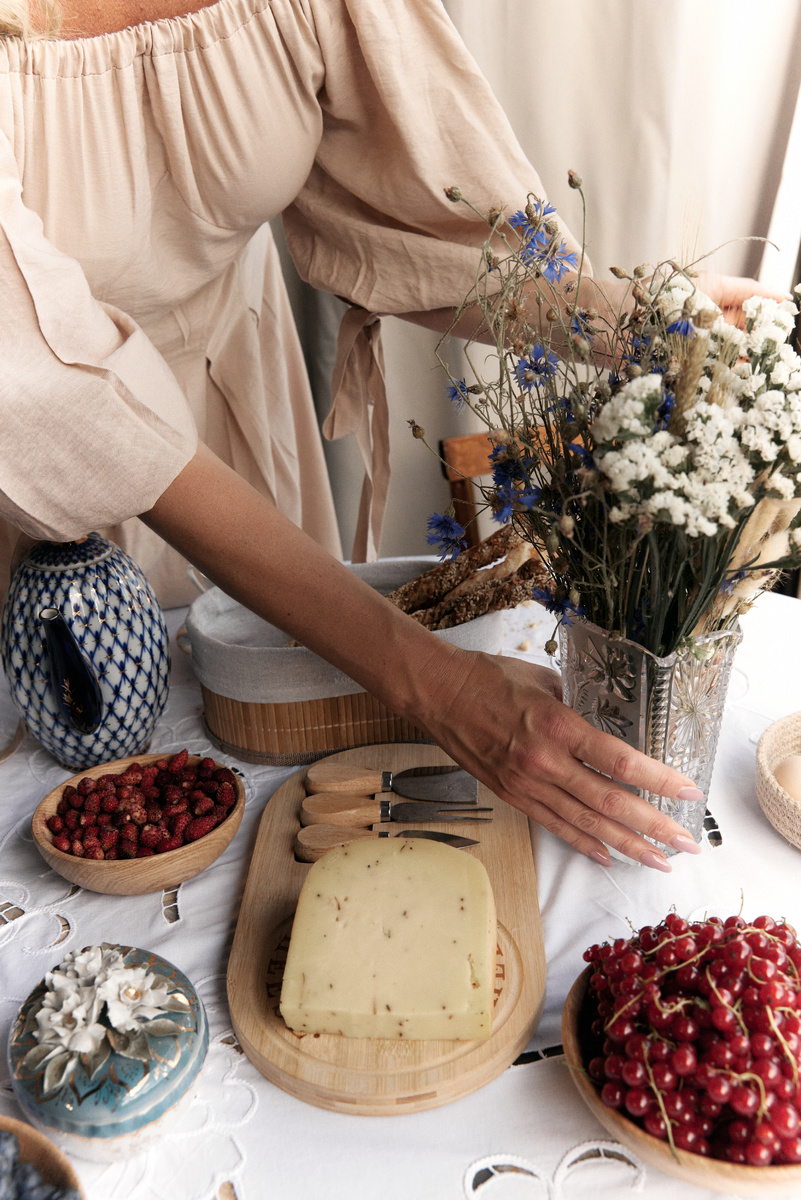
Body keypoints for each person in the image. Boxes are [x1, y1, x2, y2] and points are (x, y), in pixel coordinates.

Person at [0, 0, 783, 871]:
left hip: (235, 411)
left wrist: (641, 324)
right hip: (29, 477)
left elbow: (414, 226)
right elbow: (44, 395)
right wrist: (435, 687)